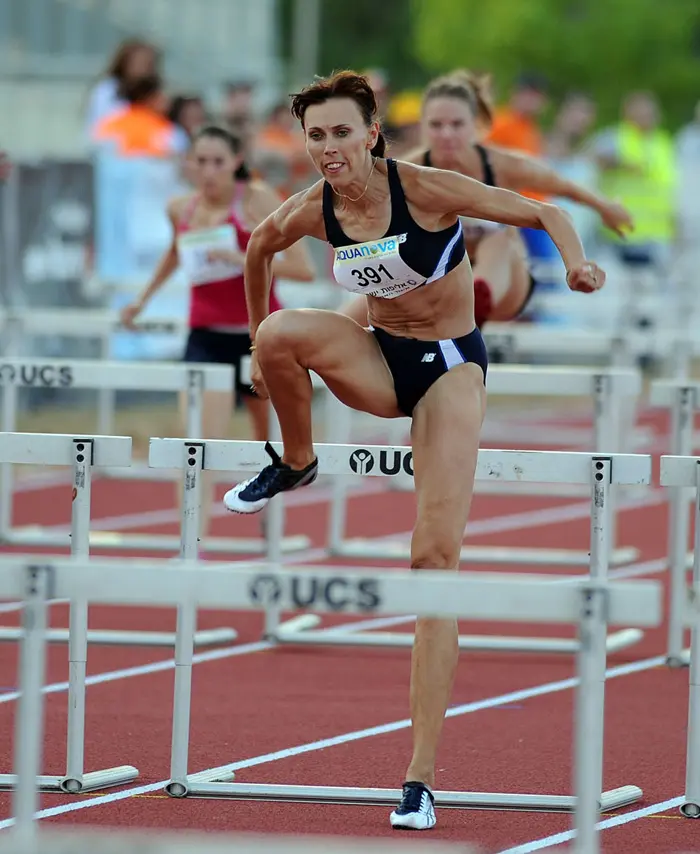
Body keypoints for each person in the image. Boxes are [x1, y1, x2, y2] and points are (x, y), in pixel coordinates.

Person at [221, 70, 604, 829]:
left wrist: (576, 263)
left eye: (341, 133)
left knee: (432, 560)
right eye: (315, 136)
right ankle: (296, 460)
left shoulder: (426, 188)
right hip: (379, 358)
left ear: (371, 134)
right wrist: (252, 349)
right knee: (276, 336)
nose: (328, 148)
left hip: (450, 370)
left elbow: (545, 210)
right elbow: (258, 251)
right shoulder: (310, 208)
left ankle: (419, 778)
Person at [120, 126, 315, 543]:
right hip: (205, 335)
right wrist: (142, 300)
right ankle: (192, 543)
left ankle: (269, 530)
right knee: (195, 443)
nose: (208, 171)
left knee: (270, 446)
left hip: (261, 337)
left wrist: (243, 257)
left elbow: (303, 268)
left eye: (218, 162)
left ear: (236, 161)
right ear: (189, 164)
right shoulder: (179, 208)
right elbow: (176, 253)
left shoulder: (258, 199)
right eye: (200, 161)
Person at [340, 70, 632, 329]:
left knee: (498, 241)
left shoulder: (501, 164)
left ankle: (476, 301)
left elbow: (562, 188)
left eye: (456, 125)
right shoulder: (407, 171)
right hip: (437, 277)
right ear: (423, 127)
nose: (446, 134)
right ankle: (324, 344)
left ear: (476, 127)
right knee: (354, 313)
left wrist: (603, 212)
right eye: (436, 125)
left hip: (505, 281)